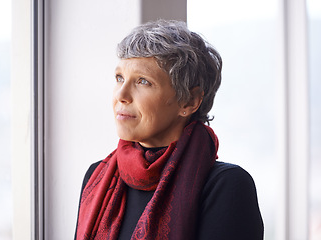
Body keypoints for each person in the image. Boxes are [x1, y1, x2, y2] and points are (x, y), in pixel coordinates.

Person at [74, 19, 264, 240]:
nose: (121, 95)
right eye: (120, 78)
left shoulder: (226, 186)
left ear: (189, 101)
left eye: (143, 82)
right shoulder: (97, 177)